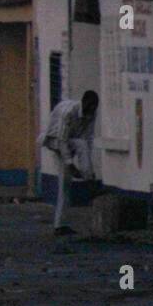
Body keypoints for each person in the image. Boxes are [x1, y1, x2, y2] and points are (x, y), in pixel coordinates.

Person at [39, 90, 98, 235]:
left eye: (94, 109)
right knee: (64, 183)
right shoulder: (69, 112)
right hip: (55, 141)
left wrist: (87, 165)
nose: (90, 113)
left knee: (82, 145)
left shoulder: (92, 114)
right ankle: (59, 225)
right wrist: (70, 164)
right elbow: (62, 140)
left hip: (72, 141)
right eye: (89, 108)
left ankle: (88, 178)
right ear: (84, 103)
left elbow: (88, 138)